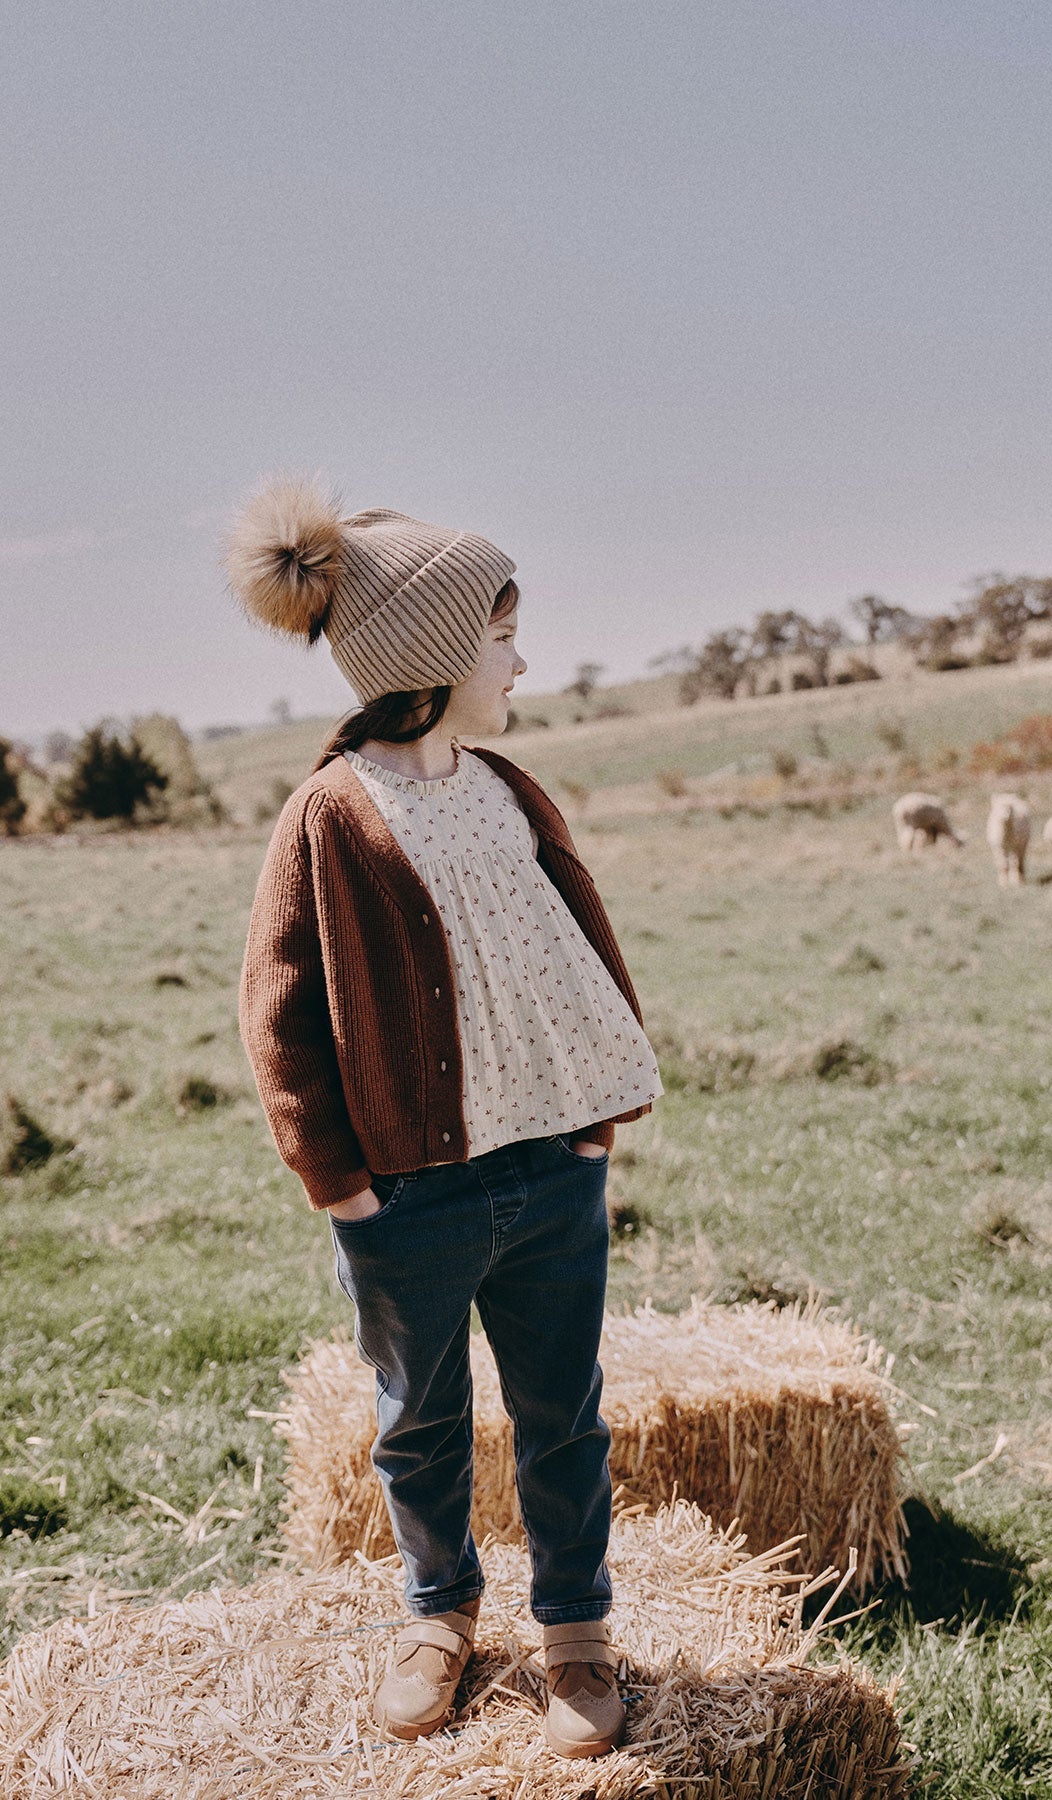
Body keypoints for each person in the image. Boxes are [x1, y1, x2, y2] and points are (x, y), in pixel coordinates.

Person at [229, 481, 663, 1758]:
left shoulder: (510, 787)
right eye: (501, 636)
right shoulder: (331, 815)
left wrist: (596, 1121)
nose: (523, 660)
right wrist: (343, 1187)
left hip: (549, 1172)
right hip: (409, 1197)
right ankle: (439, 1612)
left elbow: (577, 945)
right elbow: (280, 1005)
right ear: (429, 657)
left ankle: (577, 1629)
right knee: (416, 1422)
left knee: (562, 1412)